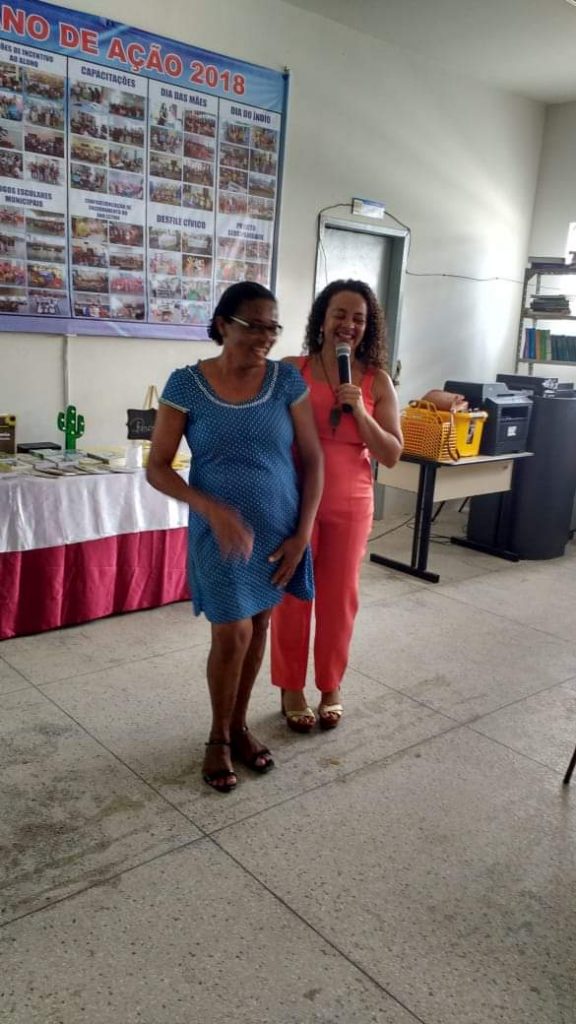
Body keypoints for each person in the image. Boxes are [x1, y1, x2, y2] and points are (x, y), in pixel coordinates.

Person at [147, 282, 323, 793]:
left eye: (273, 327)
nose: (266, 337)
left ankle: (241, 726)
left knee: (260, 623)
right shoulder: (186, 384)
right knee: (232, 634)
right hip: (219, 532)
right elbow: (158, 467)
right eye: (254, 326)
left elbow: (313, 461)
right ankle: (218, 737)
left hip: (278, 528)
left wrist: (302, 534)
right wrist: (211, 509)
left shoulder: (286, 381)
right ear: (223, 324)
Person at [270, 279, 403, 732]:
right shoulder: (292, 370)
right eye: (340, 314)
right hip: (295, 498)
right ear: (322, 319)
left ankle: (330, 684)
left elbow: (391, 453)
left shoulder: (376, 381)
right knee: (293, 593)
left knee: (339, 598)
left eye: (359, 318)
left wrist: (360, 412)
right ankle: (290, 685)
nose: (349, 324)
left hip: (350, 501)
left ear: (369, 327)